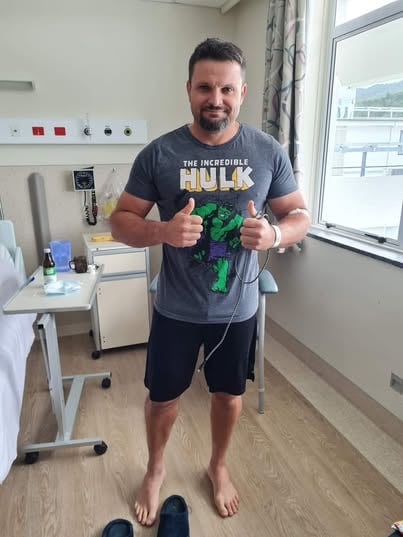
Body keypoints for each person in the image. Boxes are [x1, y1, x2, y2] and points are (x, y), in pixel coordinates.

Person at [110, 37, 310, 526]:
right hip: (176, 308)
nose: (215, 99)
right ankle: (155, 469)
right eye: (204, 87)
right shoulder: (159, 154)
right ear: (189, 89)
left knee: (228, 395)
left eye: (226, 89)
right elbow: (120, 222)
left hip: (237, 311)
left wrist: (275, 234)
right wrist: (162, 231)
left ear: (242, 93)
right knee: (163, 398)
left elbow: (300, 215)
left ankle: (218, 466)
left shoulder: (267, 151)